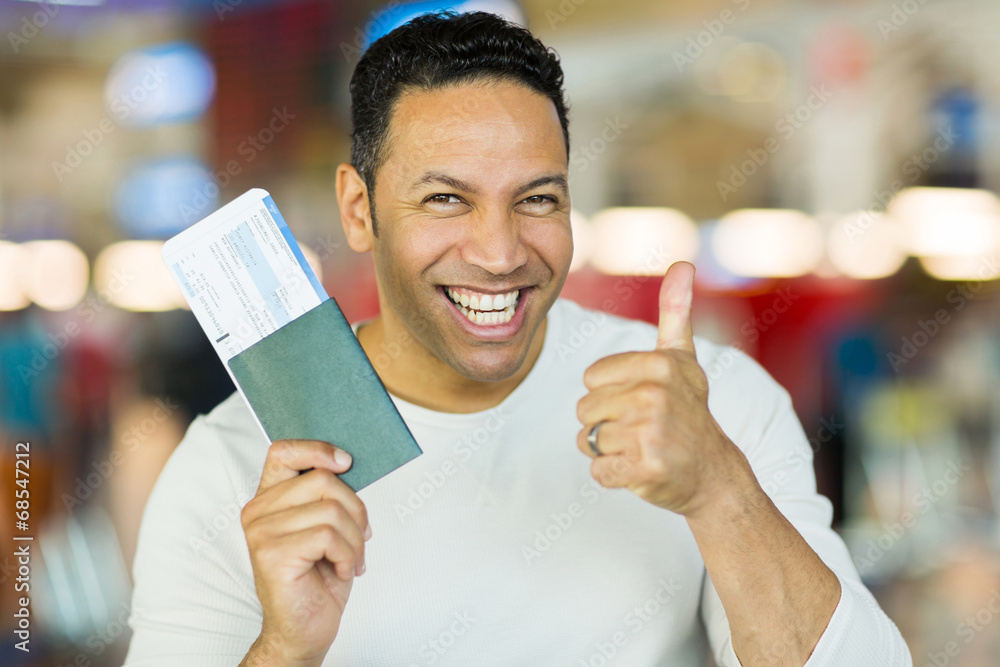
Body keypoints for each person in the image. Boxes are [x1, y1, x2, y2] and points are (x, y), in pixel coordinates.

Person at [124, 11, 912, 667]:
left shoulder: (715, 406)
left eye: (536, 198)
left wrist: (719, 491)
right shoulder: (228, 468)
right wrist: (285, 648)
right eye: (444, 199)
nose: (500, 254)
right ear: (359, 210)